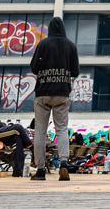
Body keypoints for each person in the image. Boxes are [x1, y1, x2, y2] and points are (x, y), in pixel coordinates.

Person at [29, 16, 79, 181]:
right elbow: (76, 72)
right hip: (62, 93)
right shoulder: (70, 46)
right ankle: (64, 163)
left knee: (41, 132)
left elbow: (34, 67)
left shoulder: (43, 44)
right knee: (62, 130)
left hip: (43, 92)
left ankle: (41, 170)